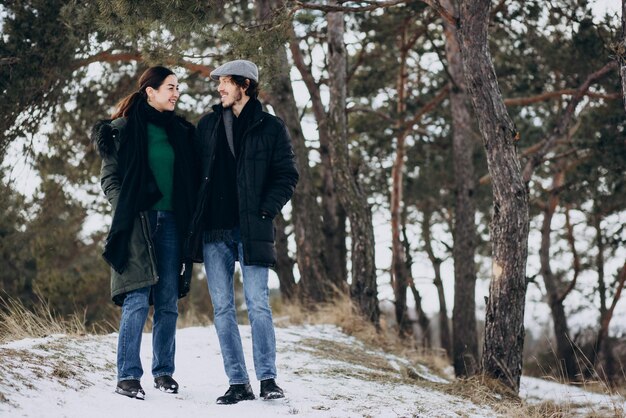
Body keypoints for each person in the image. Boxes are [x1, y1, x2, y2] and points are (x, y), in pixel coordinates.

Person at [188, 59, 299, 404]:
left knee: (258, 305)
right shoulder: (206, 125)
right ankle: (238, 382)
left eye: (225, 82)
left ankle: (268, 379)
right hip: (213, 232)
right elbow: (191, 173)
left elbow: (287, 174)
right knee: (222, 309)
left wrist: (266, 209)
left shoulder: (270, 127)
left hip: (252, 228)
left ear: (245, 86)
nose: (218, 87)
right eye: (218, 82)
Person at [91, 66, 197, 400]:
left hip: (172, 222)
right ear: (150, 91)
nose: (176, 93)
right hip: (137, 222)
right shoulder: (120, 130)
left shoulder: (180, 132)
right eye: (170, 87)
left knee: (167, 301)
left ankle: (164, 372)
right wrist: (127, 209)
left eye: (177, 87)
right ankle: (127, 376)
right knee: (137, 296)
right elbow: (110, 179)